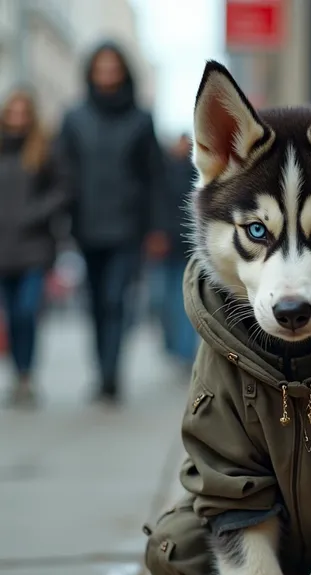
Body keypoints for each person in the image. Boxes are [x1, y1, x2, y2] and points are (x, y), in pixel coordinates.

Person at [60, 41, 166, 404]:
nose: (107, 74)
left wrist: (156, 228)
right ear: (91, 73)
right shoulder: (74, 119)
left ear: (123, 73)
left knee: (115, 298)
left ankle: (110, 375)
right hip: (86, 225)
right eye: (101, 68)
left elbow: (154, 176)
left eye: (113, 68)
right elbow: (64, 172)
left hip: (127, 225)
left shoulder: (141, 119)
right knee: (94, 302)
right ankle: (101, 370)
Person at [0, 88, 69, 406]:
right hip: (3, 248)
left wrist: (34, 212)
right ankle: (19, 376)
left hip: (33, 248)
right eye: (12, 112)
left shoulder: (43, 151)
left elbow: (61, 191)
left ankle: (27, 374)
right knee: (11, 316)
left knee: (27, 311)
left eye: (22, 113)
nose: (17, 118)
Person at [146, 133, 197, 370]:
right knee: (162, 300)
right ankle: (172, 345)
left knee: (182, 299)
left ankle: (184, 350)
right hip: (164, 245)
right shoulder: (161, 173)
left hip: (187, 247)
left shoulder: (196, 173)